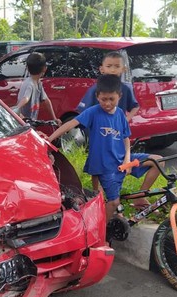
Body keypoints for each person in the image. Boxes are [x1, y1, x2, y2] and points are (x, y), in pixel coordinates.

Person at [47, 74, 161, 221]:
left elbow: (126, 138)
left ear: (119, 96)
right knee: (113, 202)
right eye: (103, 99)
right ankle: (103, 233)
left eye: (111, 99)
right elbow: (71, 124)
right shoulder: (93, 112)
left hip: (122, 160)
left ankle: (139, 198)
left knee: (158, 161)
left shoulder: (120, 114)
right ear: (97, 96)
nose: (107, 103)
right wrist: (50, 139)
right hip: (106, 166)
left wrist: (127, 159)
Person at [76, 51, 161, 208]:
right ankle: (100, 204)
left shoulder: (125, 89)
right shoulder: (97, 90)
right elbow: (80, 116)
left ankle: (139, 197)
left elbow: (135, 107)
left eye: (117, 66)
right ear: (102, 69)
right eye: (109, 66)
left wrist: (125, 121)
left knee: (156, 161)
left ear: (123, 69)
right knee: (99, 173)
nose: (113, 70)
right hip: (101, 144)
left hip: (119, 144)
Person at [12, 52, 60, 125]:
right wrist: (17, 108)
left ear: (27, 68)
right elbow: (26, 98)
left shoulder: (38, 83)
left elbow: (47, 101)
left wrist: (54, 118)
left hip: (31, 122)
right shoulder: (30, 84)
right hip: (22, 122)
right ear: (44, 68)